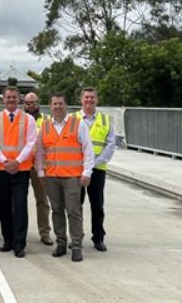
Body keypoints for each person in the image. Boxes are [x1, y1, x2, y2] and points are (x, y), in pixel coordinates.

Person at [35, 92, 94, 262]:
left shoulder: (78, 124)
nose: (57, 107)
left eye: (60, 103)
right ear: (50, 106)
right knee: (57, 211)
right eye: (54, 104)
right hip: (52, 177)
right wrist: (40, 172)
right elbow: (40, 152)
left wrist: (86, 172)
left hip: (72, 177)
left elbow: (88, 150)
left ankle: (76, 246)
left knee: (74, 211)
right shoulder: (45, 126)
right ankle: (61, 243)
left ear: (66, 105)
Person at [0, 86, 37, 258]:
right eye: (8, 97)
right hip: (1, 169)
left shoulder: (28, 119)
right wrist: (5, 161)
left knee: (20, 206)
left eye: (14, 97)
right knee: (4, 206)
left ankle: (19, 243)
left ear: (19, 99)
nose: (11, 100)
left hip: (21, 170)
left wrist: (17, 161)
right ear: (3, 99)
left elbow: (31, 143)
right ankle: (8, 240)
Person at [75, 87, 115, 253]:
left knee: (97, 204)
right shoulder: (73, 119)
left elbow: (110, 145)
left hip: (97, 169)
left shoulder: (105, 120)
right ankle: (76, 236)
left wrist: (93, 164)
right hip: (77, 169)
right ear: (81, 100)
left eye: (92, 97)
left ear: (96, 100)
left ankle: (98, 237)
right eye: (86, 97)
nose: (89, 100)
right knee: (75, 205)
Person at [22, 92, 54, 246]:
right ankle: (19, 233)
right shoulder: (20, 119)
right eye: (27, 103)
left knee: (42, 201)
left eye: (33, 102)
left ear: (38, 103)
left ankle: (45, 233)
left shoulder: (47, 120)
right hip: (22, 165)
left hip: (40, 166)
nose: (30, 106)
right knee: (19, 201)